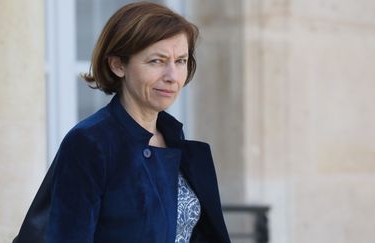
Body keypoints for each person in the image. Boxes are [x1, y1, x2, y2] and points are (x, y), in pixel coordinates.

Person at [13, 2, 230, 243]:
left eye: (180, 61)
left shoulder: (175, 140)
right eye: (156, 61)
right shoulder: (89, 142)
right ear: (117, 65)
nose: (172, 76)